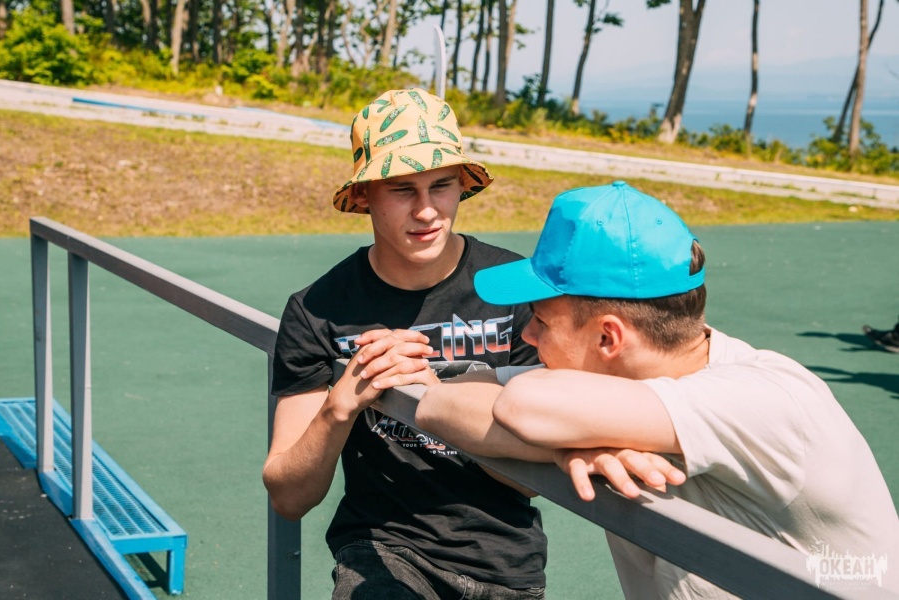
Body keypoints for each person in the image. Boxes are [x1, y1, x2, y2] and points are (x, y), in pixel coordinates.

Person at [416, 182, 899, 598]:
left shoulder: (761, 398)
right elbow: (443, 401)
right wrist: (568, 448)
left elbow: (524, 405)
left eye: (541, 321)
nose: (528, 335)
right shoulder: (625, 388)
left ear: (608, 338)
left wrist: (564, 435)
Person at [262, 88, 549, 599]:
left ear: (462, 186)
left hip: (506, 565)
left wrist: (438, 401)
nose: (427, 211)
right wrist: (340, 405)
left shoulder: (514, 290)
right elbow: (289, 496)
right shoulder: (317, 309)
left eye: (442, 186)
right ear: (364, 196)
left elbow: (534, 477)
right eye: (401, 190)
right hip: (382, 551)